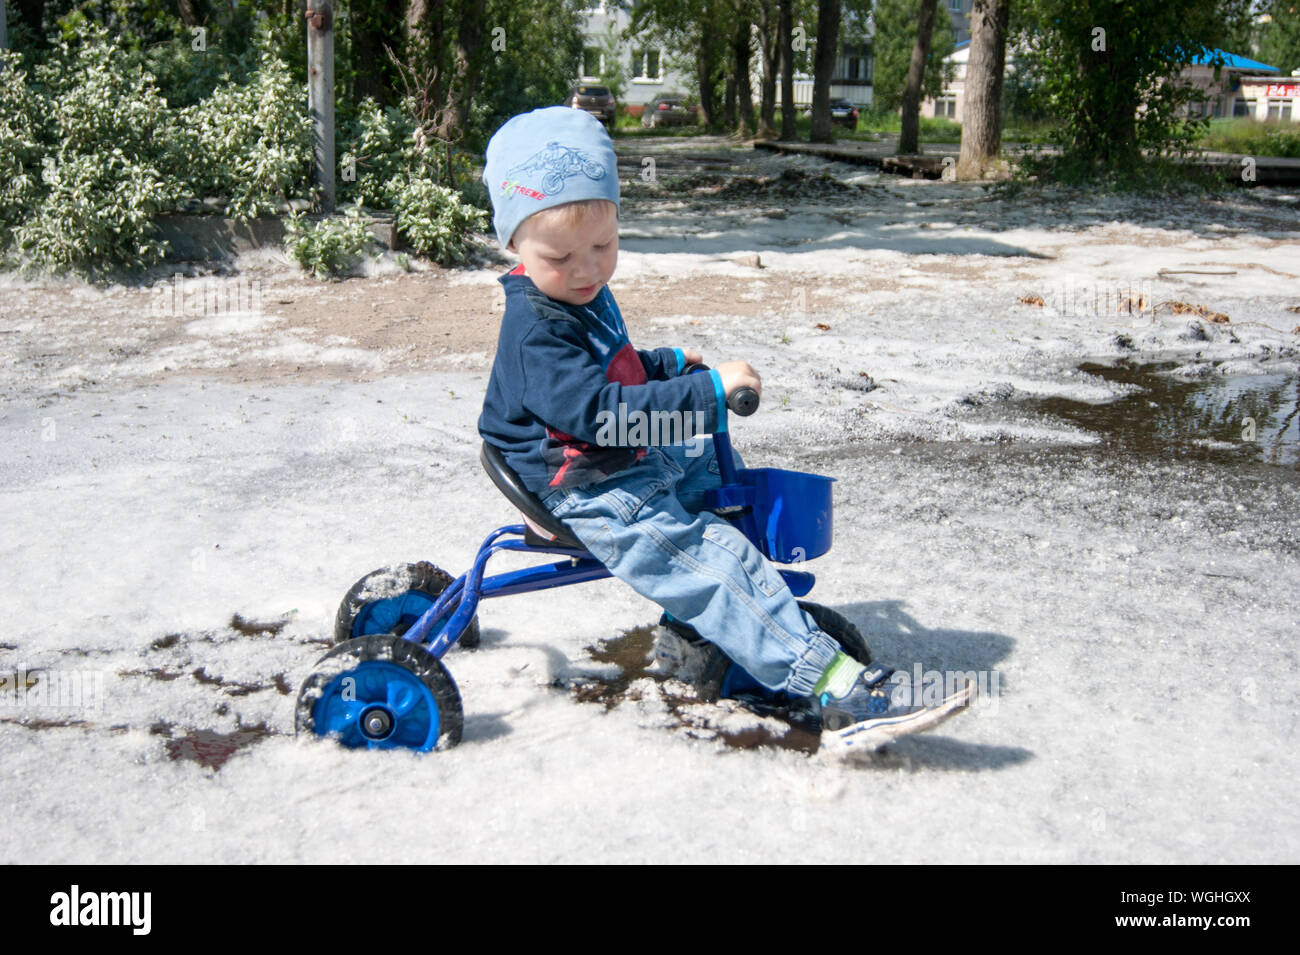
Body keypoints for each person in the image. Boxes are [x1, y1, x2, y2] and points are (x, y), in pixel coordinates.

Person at [477, 106, 971, 756]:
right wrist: (704, 394)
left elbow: (612, 370)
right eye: (561, 255)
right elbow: (601, 411)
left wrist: (668, 365)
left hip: (601, 455)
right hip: (581, 480)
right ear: (513, 242)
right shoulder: (536, 329)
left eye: (604, 246)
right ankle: (839, 689)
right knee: (715, 561)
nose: (587, 269)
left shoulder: (576, 295)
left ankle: (730, 613)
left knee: (698, 460)